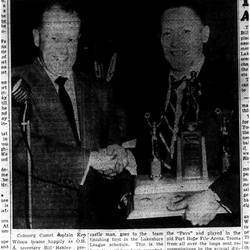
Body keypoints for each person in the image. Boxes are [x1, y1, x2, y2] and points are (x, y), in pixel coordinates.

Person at [12, 1, 135, 229]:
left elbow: (111, 142)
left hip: (93, 225)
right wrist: (90, 160)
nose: (64, 50)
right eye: (55, 39)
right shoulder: (14, 83)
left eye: (70, 40)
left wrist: (117, 155)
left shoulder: (99, 90)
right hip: (39, 227)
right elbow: (18, 150)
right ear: (37, 37)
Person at [135, 0, 240, 226]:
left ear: (204, 34)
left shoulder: (234, 84)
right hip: (154, 219)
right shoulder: (145, 88)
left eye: (185, 31)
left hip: (215, 219)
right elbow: (139, 150)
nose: (175, 42)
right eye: (167, 33)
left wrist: (218, 197)